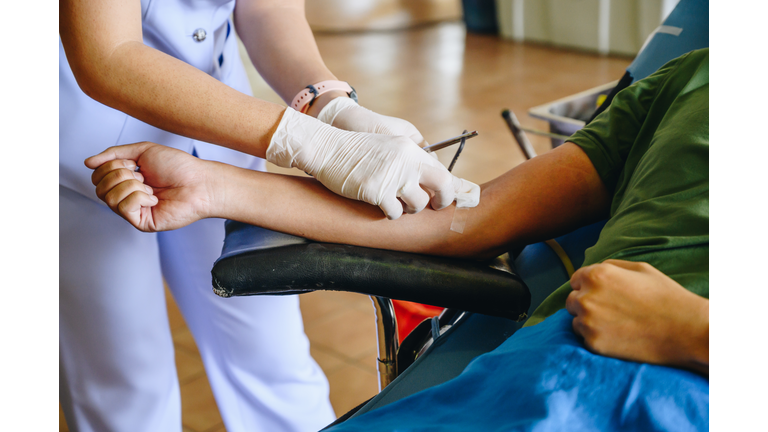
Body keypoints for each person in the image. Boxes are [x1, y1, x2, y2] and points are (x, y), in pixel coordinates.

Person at [86, 48, 709, 427]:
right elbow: (471, 218)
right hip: (525, 384)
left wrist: (696, 333)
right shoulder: (693, 80)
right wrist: (214, 185)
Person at [59, 1, 480, 431]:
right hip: (82, 137)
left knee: (274, 358)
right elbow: (106, 54)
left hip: (216, 117)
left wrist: (328, 104)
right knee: (125, 378)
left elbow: (266, 9)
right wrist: (311, 143)